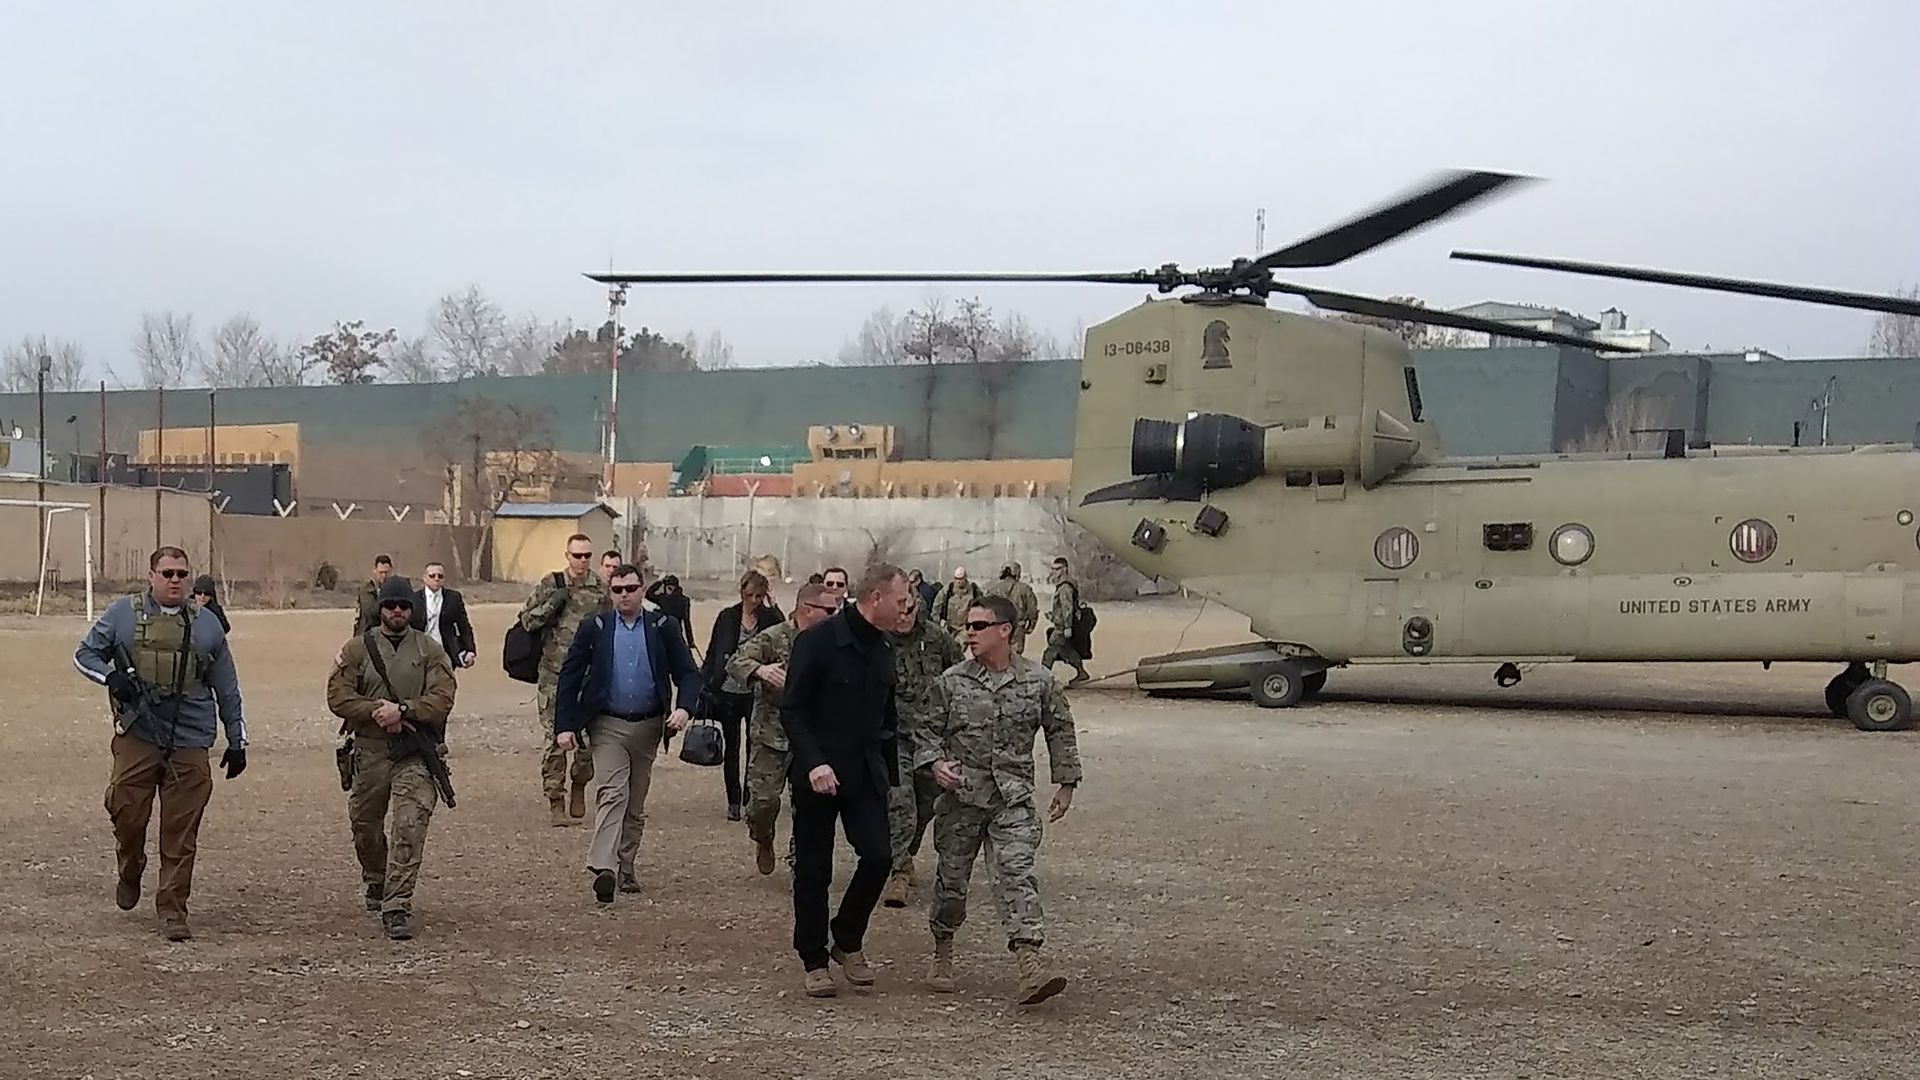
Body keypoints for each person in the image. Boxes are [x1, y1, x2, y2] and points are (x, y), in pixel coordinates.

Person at [74, 545, 247, 942]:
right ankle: (130, 865)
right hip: (139, 732)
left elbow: (227, 686)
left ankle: (172, 909)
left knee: (181, 829)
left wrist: (236, 738)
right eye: (167, 573)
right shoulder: (122, 615)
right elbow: (85, 654)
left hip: (189, 738)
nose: (175, 580)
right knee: (127, 811)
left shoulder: (208, 626)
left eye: (181, 574)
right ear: (151, 576)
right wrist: (111, 678)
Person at [923, 594, 1080, 1004]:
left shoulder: (1038, 681)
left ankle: (1030, 962)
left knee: (1015, 875)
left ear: (1005, 630)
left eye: (978, 626)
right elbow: (924, 732)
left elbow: (1059, 729)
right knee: (952, 884)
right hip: (961, 798)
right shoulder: (952, 681)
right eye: (967, 626)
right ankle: (943, 946)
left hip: (1011, 797)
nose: (969, 634)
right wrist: (935, 764)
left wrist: (1066, 783)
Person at [781, 562, 913, 997]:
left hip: (863, 772)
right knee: (814, 871)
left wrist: (892, 778)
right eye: (900, 600)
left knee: (879, 857)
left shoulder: (884, 648)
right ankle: (814, 959)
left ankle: (848, 938)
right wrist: (814, 762)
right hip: (818, 774)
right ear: (876, 599)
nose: (906, 607)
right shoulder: (817, 642)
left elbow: (887, 717)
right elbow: (793, 710)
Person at [554, 563, 701, 901]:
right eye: (618, 590)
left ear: (642, 589)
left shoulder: (663, 626)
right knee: (612, 792)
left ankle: (625, 864)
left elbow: (689, 673)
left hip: (649, 725)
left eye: (631, 588)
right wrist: (565, 726)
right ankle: (603, 867)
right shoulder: (596, 627)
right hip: (607, 724)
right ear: (610, 592)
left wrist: (684, 708)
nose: (624, 595)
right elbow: (570, 675)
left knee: (635, 802)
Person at [326, 576, 457, 941]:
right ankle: (376, 879)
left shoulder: (429, 650)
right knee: (365, 828)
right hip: (369, 751)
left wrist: (405, 710)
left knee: (409, 823)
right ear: (379, 609)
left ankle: (397, 903)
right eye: (390, 605)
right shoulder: (356, 650)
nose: (397, 611)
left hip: (413, 751)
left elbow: (443, 697)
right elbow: (337, 696)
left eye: (403, 606)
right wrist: (375, 711)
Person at [725, 582, 836, 876]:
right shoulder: (775, 637)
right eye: (830, 610)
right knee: (763, 802)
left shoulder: (833, 643)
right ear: (808, 610)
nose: (836, 616)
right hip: (772, 734)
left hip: (811, 739)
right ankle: (763, 838)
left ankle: (800, 862)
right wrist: (760, 670)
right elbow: (736, 660)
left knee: (808, 807)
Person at [516, 533, 611, 826]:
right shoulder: (551, 584)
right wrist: (554, 603)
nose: (582, 561)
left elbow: (611, 628)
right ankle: (555, 799)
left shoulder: (600, 589)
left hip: (587, 676)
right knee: (555, 739)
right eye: (576, 555)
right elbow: (527, 620)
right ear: (567, 555)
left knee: (586, 739)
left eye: (586, 556)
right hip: (553, 675)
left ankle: (579, 784)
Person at [881, 583, 962, 907]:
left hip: (931, 739)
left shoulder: (937, 638)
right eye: (898, 610)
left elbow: (959, 676)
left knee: (926, 804)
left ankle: (908, 853)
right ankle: (898, 872)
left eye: (909, 609)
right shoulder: (880, 639)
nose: (903, 617)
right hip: (893, 735)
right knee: (900, 801)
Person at [700, 570, 784, 821]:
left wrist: (774, 604)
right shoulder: (728, 616)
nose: (755, 600)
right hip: (728, 689)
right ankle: (733, 800)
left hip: (757, 691)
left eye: (759, 595)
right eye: (750, 595)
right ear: (742, 592)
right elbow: (715, 650)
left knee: (754, 747)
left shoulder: (769, 618)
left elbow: (784, 635)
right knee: (732, 747)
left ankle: (749, 796)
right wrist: (706, 683)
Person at [411, 561, 476, 671]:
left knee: (444, 686)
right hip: (420, 653)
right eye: (432, 576)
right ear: (425, 578)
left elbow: (464, 626)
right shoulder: (414, 599)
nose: (436, 579)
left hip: (446, 652)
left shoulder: (453, 598)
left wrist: (470, 650)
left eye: (440, 576)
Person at [1041, 557, 1091, 687]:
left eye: (1057, 569)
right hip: (1061, 624)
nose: (1054, 572)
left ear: (1065, 569)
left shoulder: (1065, 587)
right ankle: (1081, 672)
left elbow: (1067, 608)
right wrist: (1053, 616)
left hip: (1062, 627)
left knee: (1050, 652)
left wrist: (1067, 626)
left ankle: (1042, 678)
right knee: (1065, 651)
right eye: (1053, 569)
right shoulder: (1064, 586)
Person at [985, 562, 1040, 655]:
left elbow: (985, 609)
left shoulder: (993, 589)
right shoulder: (1025, 589)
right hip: (1017, 628)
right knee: (1015, 659)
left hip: (998, 627)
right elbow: (1032, 611)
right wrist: (1030, 627)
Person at [645, 573, 698, 650]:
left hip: (663, 634)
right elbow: (687, 623)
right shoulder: (684, 600)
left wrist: (660, 582)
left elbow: (649, 594)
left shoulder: (663, 598)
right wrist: (691, 641)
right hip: (677, 634)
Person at [931, 566, 981, 636]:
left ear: (965, 577)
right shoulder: (948, 590)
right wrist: (937, 623)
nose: (958, 581)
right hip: (949, 628)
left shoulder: (974, 591)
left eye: (961, 579)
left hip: (965, 629)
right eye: (956, 579)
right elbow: (936, 606)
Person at [353, 554, 394, 635]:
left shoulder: (395, 589)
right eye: (381, 572)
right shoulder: (365, 590)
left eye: (386, 572)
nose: (384, 576)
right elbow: (365, 615)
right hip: (367, 633)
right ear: (375, 570)